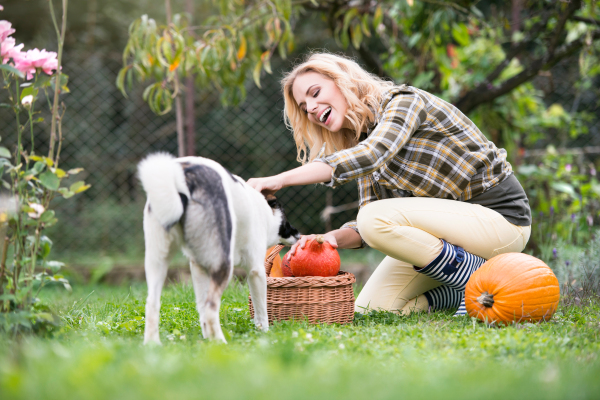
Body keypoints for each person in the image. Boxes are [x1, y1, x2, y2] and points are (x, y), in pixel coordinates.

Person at [247, 53, 531, 316]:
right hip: (449, 241)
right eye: (303, 106)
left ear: (343, 81)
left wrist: (280, 179)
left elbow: (373, 156)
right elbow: (368, 226)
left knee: (372, 217)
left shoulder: (403, 102)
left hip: (502, 222)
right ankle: (456, 295)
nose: (310, 108)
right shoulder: (360, 143)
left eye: (315, 93)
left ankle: (476, 278)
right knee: (370, 309)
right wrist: (328, 238)